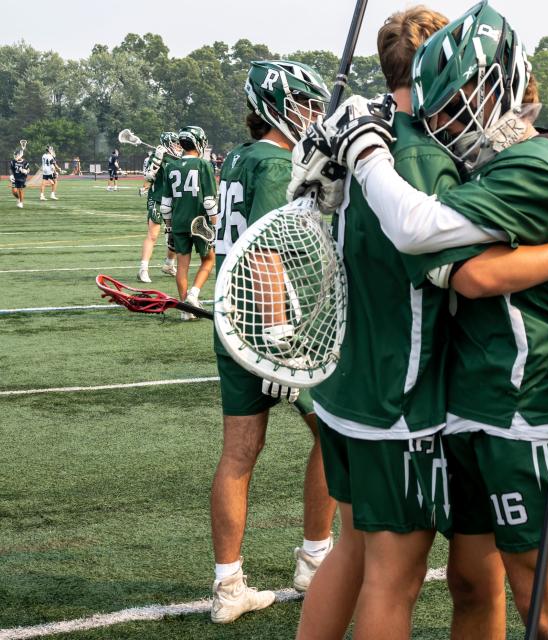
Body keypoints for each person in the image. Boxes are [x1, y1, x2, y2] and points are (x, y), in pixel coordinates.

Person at [292, 4, 548, 636]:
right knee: (414, 579)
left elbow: (464, 265)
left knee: (397, 562)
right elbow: (453, 259)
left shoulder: (368, 134)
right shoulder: (421, 154)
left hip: (419, 387)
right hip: (419, 394)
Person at [206, 61, 337, 624]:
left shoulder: (237, 156)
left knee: (238, 453)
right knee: (335, 437)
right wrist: (281, 329)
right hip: (274, 323)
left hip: (233, 317)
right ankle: (314, 559)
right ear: (279, 104)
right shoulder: (271, 160)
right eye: (306, 103)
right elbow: (264, 250)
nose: (313, 113)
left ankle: (228, 586)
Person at [158, 126, 216, 320]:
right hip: (199, 221)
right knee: (208, 259)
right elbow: (209, 202)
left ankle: (185, 310)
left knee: (182, 264)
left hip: (178, 220)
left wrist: (169, 228)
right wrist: (216, 224)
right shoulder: (203, 165)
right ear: (198, 143)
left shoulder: (171, 166)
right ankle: (193, 294)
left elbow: (165, 205)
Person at [137, 132, 179, 283]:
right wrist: (157, 159)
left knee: (175, 235)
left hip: (173, 200)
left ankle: (169, 265)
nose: (178, 145)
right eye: (174, 142)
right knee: (153, 235)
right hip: (157, 199)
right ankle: (143, 268)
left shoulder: (176, 158)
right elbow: (149, 177)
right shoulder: (156, 156)